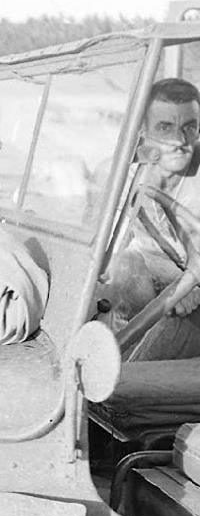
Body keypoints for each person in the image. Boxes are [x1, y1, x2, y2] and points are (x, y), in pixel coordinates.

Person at [100, 77, 200, 360]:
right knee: (125, 266)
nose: (180, 142)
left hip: (191, 293)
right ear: (143, 132)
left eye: (189, 128)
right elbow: (105, 251)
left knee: (142, 371)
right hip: (153, 280)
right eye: (165, 127)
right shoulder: (126, 173)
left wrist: (192, 287)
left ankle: (125, 385)